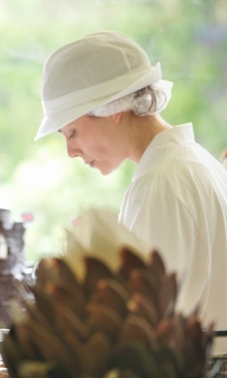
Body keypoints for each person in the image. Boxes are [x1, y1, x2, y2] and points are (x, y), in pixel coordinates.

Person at [34, 31, 227, 351]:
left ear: (112, 108)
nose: (71, 151)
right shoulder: (192, 163)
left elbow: (142, 332)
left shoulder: (161, 185)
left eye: (72, 132)